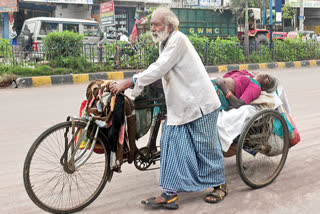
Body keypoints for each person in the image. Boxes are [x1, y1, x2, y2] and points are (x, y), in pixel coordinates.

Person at [109, 7, 227, 209]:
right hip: (181, 105)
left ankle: (220, 185)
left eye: (156, 24)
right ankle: (170, 194)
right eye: (152, 25)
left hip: (200, 104)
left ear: (169, 26)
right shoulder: (165, 42)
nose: (152, 28)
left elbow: (161, 67)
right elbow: (162, 67)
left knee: (205, 147)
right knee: (170, 146)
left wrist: (131, 82)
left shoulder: (178, 40)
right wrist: (141, 82)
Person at [213, 70, 278, 110]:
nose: (266, 75)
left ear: (265, 88)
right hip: (216, 85)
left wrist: (222, 86)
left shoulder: (256, 88)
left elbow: (238, 103)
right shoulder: (250, 78)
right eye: (268, 75)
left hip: (219, 93)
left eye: (268, 79)